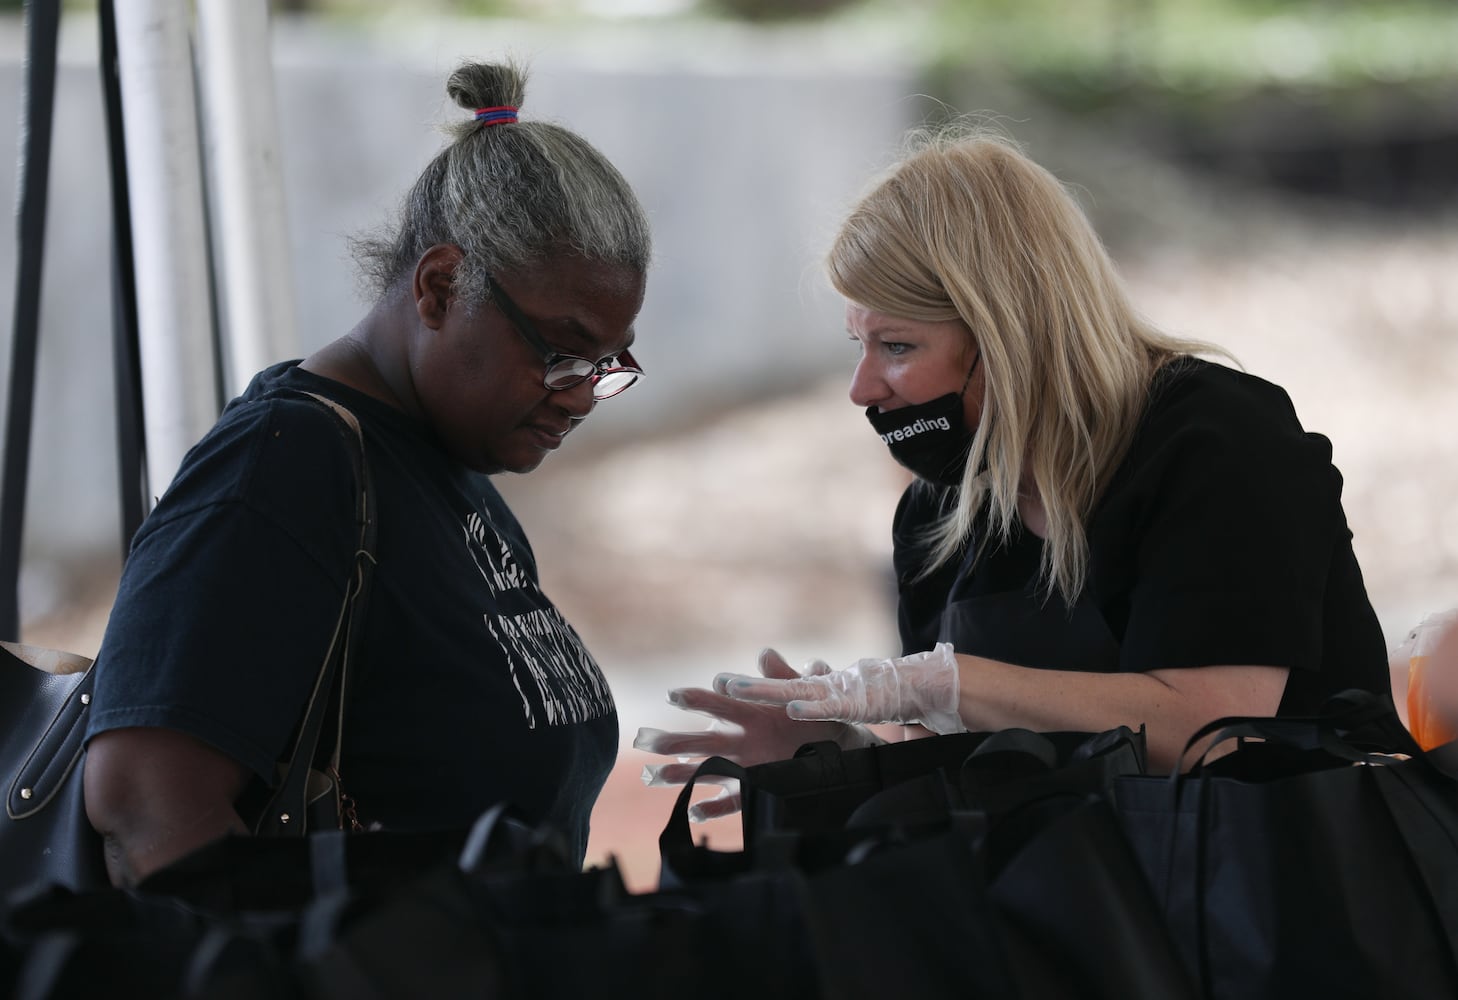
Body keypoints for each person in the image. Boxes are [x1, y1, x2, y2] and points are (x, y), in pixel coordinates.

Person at [637, 124, 1389, 819]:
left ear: (1007, 330)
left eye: (896, 347)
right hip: (1085, 926)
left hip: (1280, 912)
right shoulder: (937, 513)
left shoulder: (1213, 440)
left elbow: (1208, 727)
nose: (862, 389)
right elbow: (969, 772)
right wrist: (847, 756)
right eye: (858, 345)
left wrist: (947, 683)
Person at [83, 59, 652, 885]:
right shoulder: (281, 467)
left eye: (608, 365)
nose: (584, 396)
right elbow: (147, 809)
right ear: (440, 285)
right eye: (563, 355)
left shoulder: (446, 469)